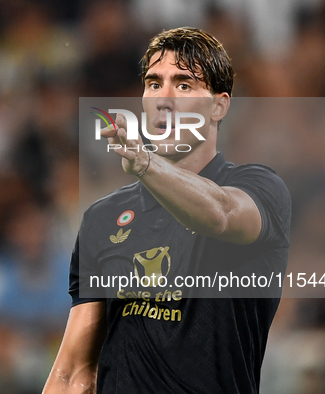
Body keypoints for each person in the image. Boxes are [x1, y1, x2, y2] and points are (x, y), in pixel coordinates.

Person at [43, 27, 291, 393]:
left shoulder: (262, 188)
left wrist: (145, 163)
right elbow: (76, 370)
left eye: (184, 85)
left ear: (219, 106)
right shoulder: (102, 217)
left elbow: (219, 214)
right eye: (154, 83)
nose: (165, 98)